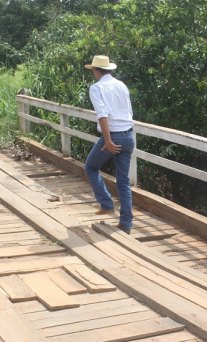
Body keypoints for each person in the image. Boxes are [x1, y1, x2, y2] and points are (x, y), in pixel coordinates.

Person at [83, 55, 135, 234]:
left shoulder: (97, 88)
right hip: (129, 135)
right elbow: (128, 111)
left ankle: (106, 204)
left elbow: (102, 115)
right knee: (123, 181)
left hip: (113, 136)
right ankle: (126, 224)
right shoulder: (121, 85)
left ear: (96, 71)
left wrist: (107, 140)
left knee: (91, 166)